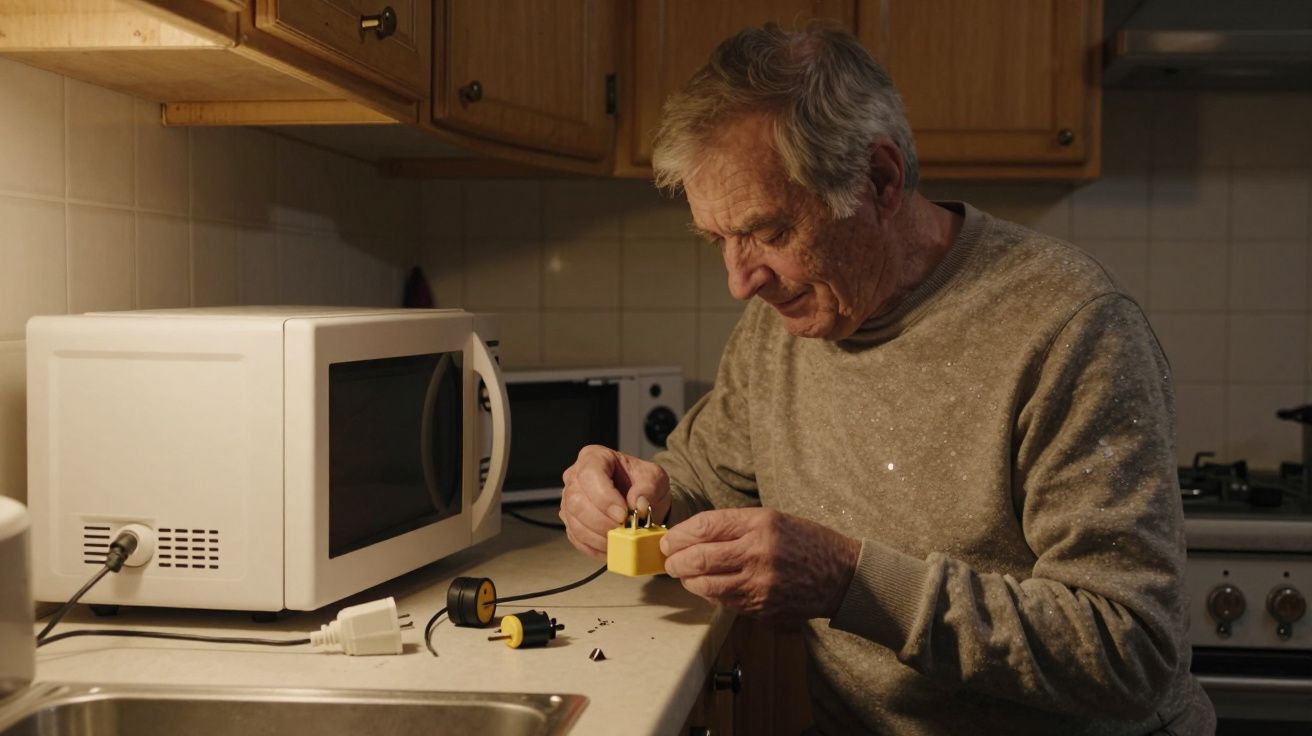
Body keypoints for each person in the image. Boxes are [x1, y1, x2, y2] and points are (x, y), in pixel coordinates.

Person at [558, 22, 1215, 735]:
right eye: (719, 240)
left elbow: (1131, 654)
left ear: (879, 179)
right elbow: (697, 479)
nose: (740, 281)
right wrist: (632, 495)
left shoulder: (1069, 329)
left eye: (771, 231)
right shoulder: (780, 327)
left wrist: (850, 581)